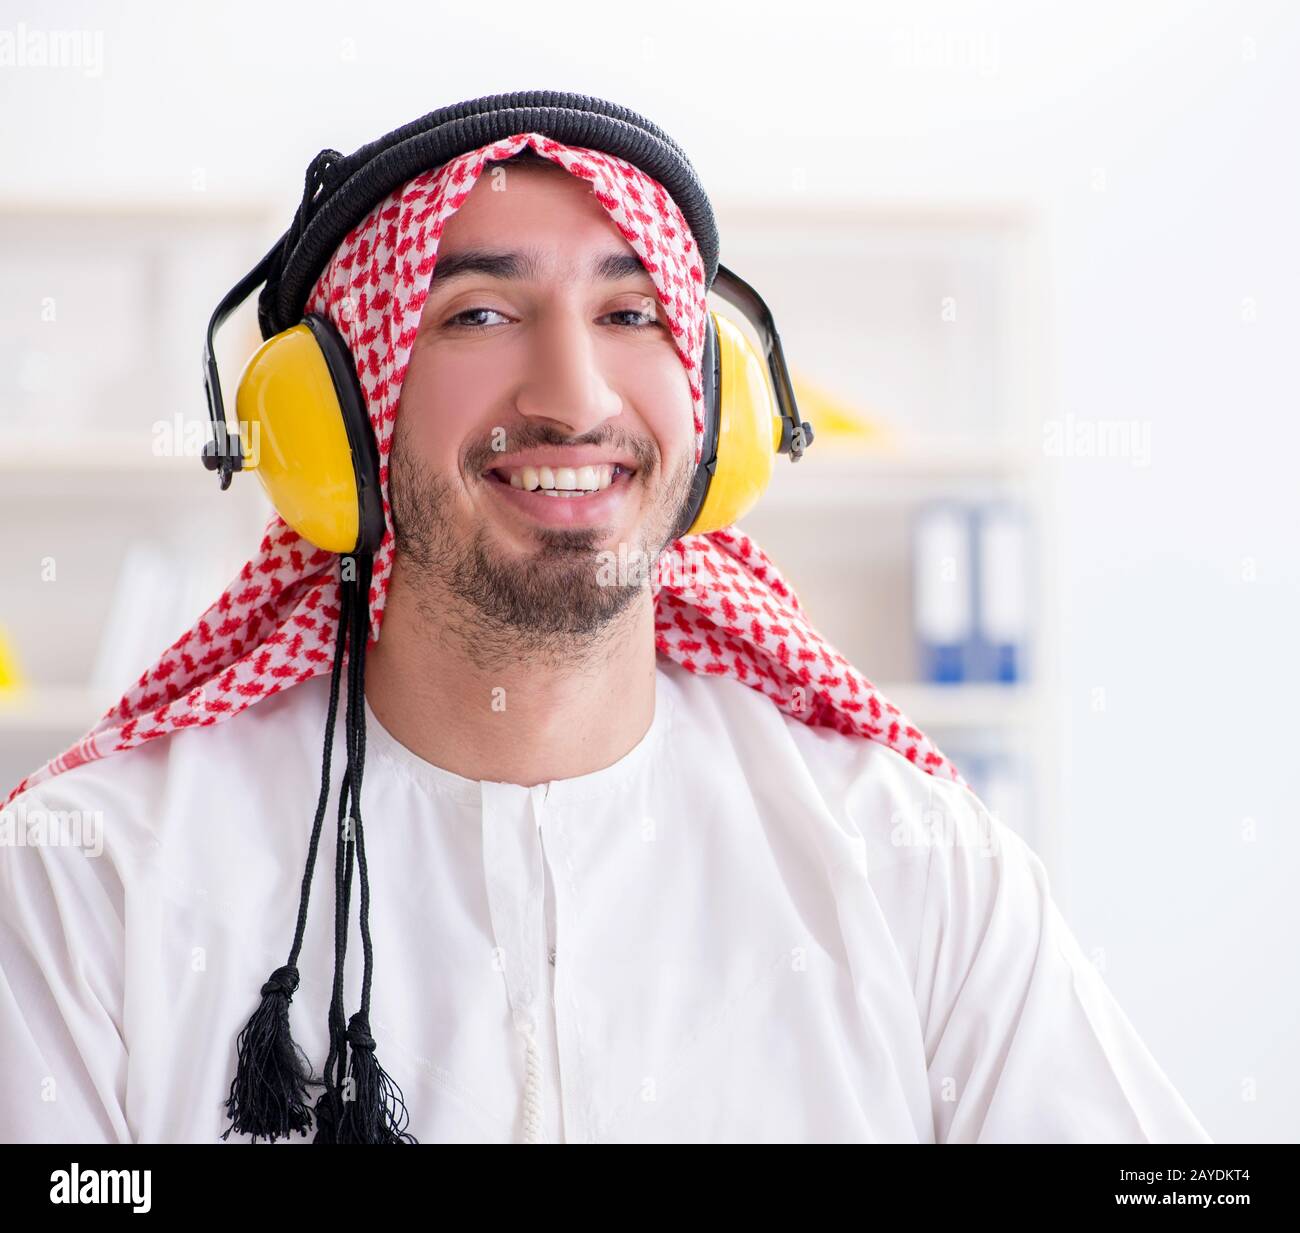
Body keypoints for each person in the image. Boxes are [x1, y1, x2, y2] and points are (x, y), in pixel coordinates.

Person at [0, 92, 1211, 1145]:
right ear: (337, 424)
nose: (574, 397)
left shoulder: (917, 868)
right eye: (476, 313)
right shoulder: (84, 888)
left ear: (716, 416)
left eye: (632, 315)